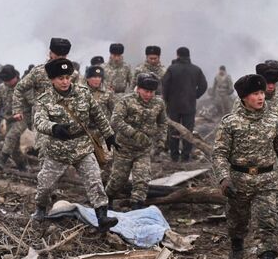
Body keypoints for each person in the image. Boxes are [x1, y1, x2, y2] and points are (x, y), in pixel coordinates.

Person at [213, 74, 278, 259]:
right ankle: (236, 245)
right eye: (255, 94)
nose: (261, 97)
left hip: (267, 180)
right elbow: (219, 154)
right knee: (237, 221)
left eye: (262, 93)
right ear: (244, 97)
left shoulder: (274, 122)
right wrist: (224, 178)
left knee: (268, 222)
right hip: (238, 180)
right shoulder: (230, 122)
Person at [33, 58, 120, 231]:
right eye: (60, 78)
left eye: (67, 77)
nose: (65, 82)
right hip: (57, 151)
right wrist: (54, 128)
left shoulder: (83, 93)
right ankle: (40, 209)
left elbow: (98, 115)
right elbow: (39, 121)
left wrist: (109, 135)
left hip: (82, 148)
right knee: (45, 185)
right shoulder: (44, 99)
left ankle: (102, 216)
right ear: (52, 80)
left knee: (95, 180)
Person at [106, 74, 167, 209]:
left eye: (152, 92)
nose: (149, 95)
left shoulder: (159, 103)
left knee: (142, 180)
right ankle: (107, 198)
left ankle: (136, 206)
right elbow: (115, 121)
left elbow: (162, 123)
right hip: (124, 149)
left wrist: (161, 141)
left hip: (143, 150)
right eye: (146, 91)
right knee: (118, 181)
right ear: (138, 89)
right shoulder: (126, 101)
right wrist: (134, 134)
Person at [13, 37, 72, 158]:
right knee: (44, 150)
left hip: (64, 117)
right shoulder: (39, 72)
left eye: (64, 56)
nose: (61, 58)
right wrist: (17, 110)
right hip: (42, 117)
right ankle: (45, 176)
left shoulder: (71, 73)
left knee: (65, 152)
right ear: (50, 53)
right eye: (58, 55)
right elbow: (19, 88)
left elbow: (82, 93)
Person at [162, 47, 208, 162]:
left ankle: (174, 157)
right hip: (189, 105)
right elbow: (204, 85)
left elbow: (165, 85)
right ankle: (185, 157)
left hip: (173, 106)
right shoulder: (196, 70)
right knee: (188, 131)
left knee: (173, 131)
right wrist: (195, 95)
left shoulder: (172, 69)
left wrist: (167, 100)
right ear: (188, 56)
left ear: (177, 55)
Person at [0, 65, 28, 171]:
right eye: (5, 81)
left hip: (23, 118)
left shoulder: (24, 86)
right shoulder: (2, 87)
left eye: (9, 80)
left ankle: (2, 160)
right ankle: (23, 168)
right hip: (9, 118)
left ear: (15, 76)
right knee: (14, 149)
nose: (7, 83)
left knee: (11, 136)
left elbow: (33, 103)